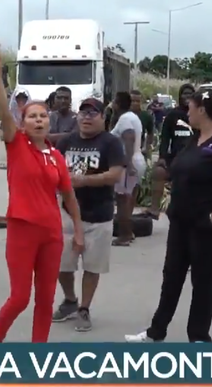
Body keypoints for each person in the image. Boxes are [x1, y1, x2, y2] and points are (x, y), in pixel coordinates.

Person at [126, 89, 212, 343]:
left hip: (207, 226)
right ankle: (156, 331)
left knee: (203, 283)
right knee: (171, 277)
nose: (187, 112)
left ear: (202, 110)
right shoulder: (195, 139)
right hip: (181, 222)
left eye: (190, 107)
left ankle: (199, 337)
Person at [0, 51, 84, 343]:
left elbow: (68, 196)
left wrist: (77, 230)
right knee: (19, 298)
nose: (38, 121)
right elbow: (5, 112)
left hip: (51, 233)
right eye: (32, 117)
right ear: (24, 122)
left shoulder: (56, 156)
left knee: (46, 299)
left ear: (49, 122)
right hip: (22, 229)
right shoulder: (16, 146)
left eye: (42, 116)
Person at [53, 98, 124, 332]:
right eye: (83, 113)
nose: (86, 117)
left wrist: (84, 180)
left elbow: (115, 174)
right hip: (66, 215)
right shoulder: (66, 142)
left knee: (92, 266)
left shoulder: (111, 143)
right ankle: (70, 300)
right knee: (62, 264)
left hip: (99, 215)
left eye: (93, 113)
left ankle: (84, 308)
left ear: (103, 118)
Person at [140, 84, 195, 219]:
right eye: (184, 94)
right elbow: (165, 138)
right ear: (180, 96)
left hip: (195, 156)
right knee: (158, 172)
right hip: (176, 156)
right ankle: (154, 209)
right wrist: (162, 157)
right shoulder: (173, 115)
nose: (187, 97)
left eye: (190, 94)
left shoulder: (200, 114)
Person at [109, 92, 145, 247]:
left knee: (122, 200)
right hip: (137, 159)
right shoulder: (133, 117)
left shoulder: (124, 119)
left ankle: (124, 236)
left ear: (117, 103)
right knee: (128, 199)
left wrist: (128, 164)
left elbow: (128, 138)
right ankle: (128, 232)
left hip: (127, 162)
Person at [131, 90, 154, 158]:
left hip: (139, 151)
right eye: (132, 101)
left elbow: (150, 133)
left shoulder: (146, 116)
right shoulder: (122, 114)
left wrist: (146, 147)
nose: (135, 103)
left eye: (137, 101)